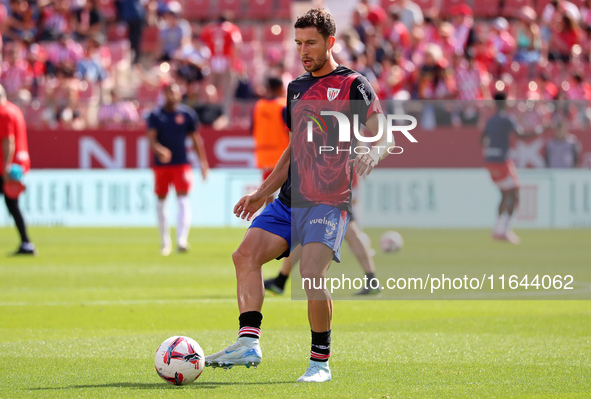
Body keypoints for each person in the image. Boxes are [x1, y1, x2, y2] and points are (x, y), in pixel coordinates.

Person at [205, 9, 392, 383]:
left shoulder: (354, 83)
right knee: (244, 255)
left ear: (330, 42)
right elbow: (293, 150)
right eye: (298, 43)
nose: (303, 51)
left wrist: (372, 150)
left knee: (310, 274)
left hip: (328, 199)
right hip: (289, 200)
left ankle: (320, 363)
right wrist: (262, 193)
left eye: (310, 43)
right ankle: (248, 341)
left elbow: (381, 129)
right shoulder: (296, 88)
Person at [147, 82, 209, 256]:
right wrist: (159, 150)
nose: (172, 96)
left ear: (179, 95)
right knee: (161, 202)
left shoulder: (187, 115)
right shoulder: (155, 115)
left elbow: (196, 140)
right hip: (161, 166)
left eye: (174, 93)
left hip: (181, 163)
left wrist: (203, 163)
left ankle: (182, 240)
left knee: (182, 200)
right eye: (168, 93)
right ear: (164, 95)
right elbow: (151, 139)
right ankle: (165, 242)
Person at [482, 92, 541, 244]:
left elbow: (482, 140)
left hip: (490, 161)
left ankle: (498, 229)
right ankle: (505, 230)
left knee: (504, 194)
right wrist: (540, 131)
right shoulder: (507, 119)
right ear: (505, 102)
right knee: (514, 194)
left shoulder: (490, 121)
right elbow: (520, 135)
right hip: (502, 161)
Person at [0, 84, 36, 255]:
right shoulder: (14, 110)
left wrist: (6, 166)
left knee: (12, 205)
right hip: (18, 164)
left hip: (6, 167)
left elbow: (9, 140)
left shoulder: (3, 112)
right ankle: (26, 243)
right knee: (12, 205)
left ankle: (26, 243)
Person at [251, 76, 288, 205]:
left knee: (267, 191)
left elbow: (252, 129)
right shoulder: (283, 105)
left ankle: (267, 220)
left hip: (263, 155)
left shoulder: (258, 106)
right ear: (279, 88)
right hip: (282, 155)